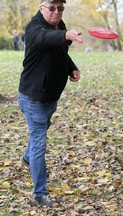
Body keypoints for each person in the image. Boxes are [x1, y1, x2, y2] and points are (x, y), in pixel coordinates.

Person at [18, 0, 83, 208]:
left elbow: (60, 52)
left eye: (61, 8)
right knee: (39, 142)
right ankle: (40, 193)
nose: (57, 12)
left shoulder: (59, 25)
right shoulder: (34, 28)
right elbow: (45, 38)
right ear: (41, 8)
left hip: (51, 96)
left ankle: (28, 158)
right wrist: (65, 35)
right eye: (52, 8)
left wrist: (71, 67)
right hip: (33, 98)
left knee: (41, 132)